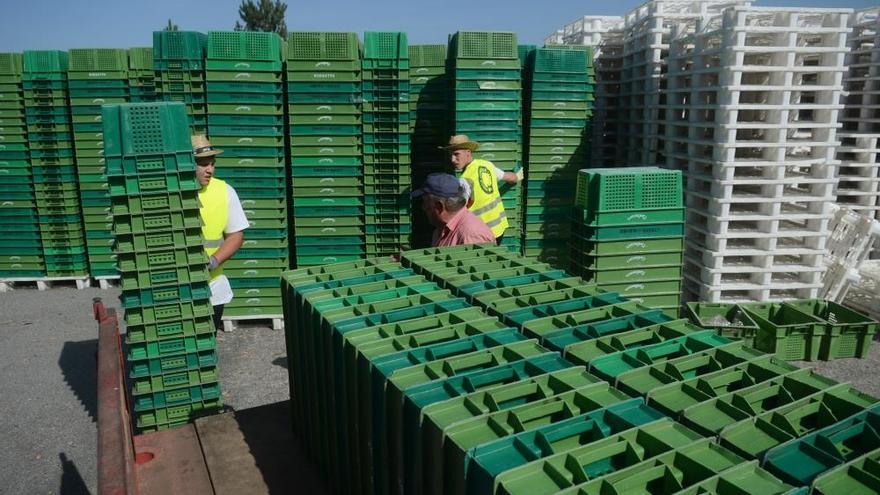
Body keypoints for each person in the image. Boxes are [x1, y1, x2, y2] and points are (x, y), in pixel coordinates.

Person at [192, 135, 249, 331]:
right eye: (203, 164)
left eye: (212, 164)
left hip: (212, 285)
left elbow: (236, 236)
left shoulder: (224, 191)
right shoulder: (170, 192)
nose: (210, 170)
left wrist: (213, 262)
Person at [441, 134, 524, 245]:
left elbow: (456, 214)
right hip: (499, 229)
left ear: (468, 152)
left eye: (456, 154)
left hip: (480, 235)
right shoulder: (487, 165)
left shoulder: (464, 181)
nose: (452, 159)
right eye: (450, 155)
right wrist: (517, 176)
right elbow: (510, 177)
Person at [412, 173, 496, 247]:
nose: (423, 207)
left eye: (425, 202)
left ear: (439, 206)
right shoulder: (441, 228)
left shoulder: (471, 235)